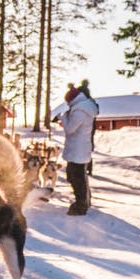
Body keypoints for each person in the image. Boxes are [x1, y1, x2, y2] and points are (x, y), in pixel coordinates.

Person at [60, 80, 99, 215]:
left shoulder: (80, 110)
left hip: (77, 150)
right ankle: (85, 201)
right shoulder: (84, 108)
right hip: (80, 148)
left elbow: (70, 129)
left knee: (76, 177)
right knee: (78, 176)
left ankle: (80, 206)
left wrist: (63, 117)